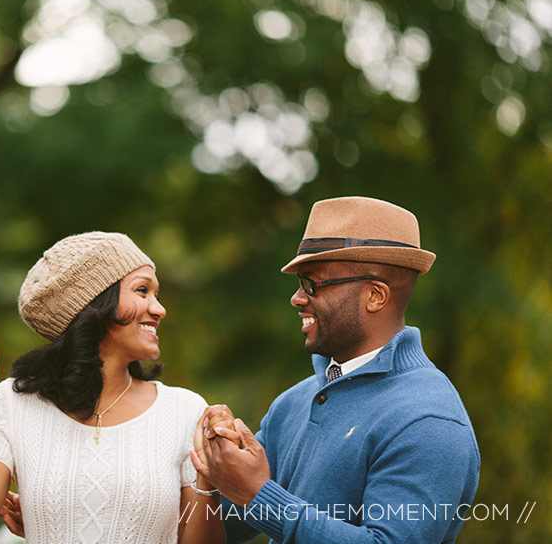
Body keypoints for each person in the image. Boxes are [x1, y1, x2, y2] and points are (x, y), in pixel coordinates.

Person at [191, 196, 480, 543]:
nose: (297, 298)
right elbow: (222, 527)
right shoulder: (293, 403)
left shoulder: (428, 419)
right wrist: (214, 473)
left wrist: (260, 496)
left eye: (313, 283)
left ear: (375, 296)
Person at [0, 231, 227, 544]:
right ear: (95, 303)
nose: (159, 309)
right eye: (142, 291)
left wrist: (210, 479)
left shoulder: (185, 412)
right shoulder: (13, 403)